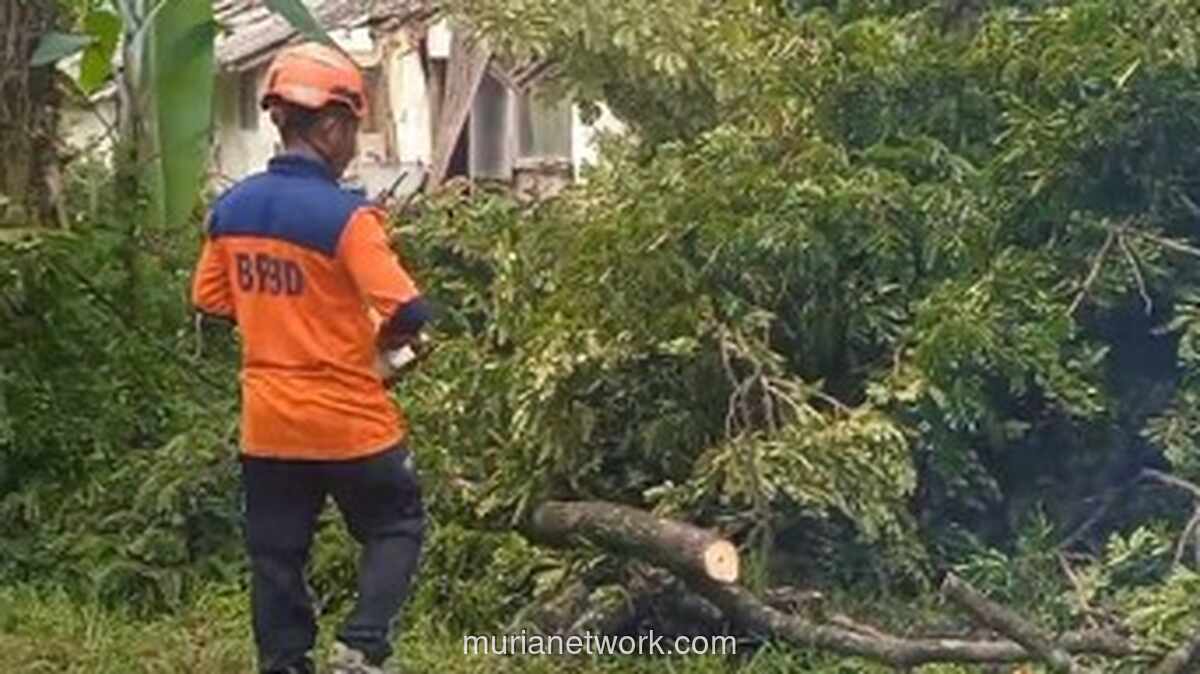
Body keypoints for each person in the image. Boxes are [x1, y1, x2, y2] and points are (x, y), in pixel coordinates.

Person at [190, 41, 431, 674]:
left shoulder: (231, 208)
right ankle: (362, 646)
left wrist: (279, 319)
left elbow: (210, 298)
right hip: (351, 420)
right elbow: (408, 309)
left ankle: (284, 663)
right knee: (396, 525)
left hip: (268, 424)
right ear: (329, 125)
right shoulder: (348, 218)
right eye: (353, 126)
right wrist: (383, 348)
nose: (353, 141)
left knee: (275, 555)